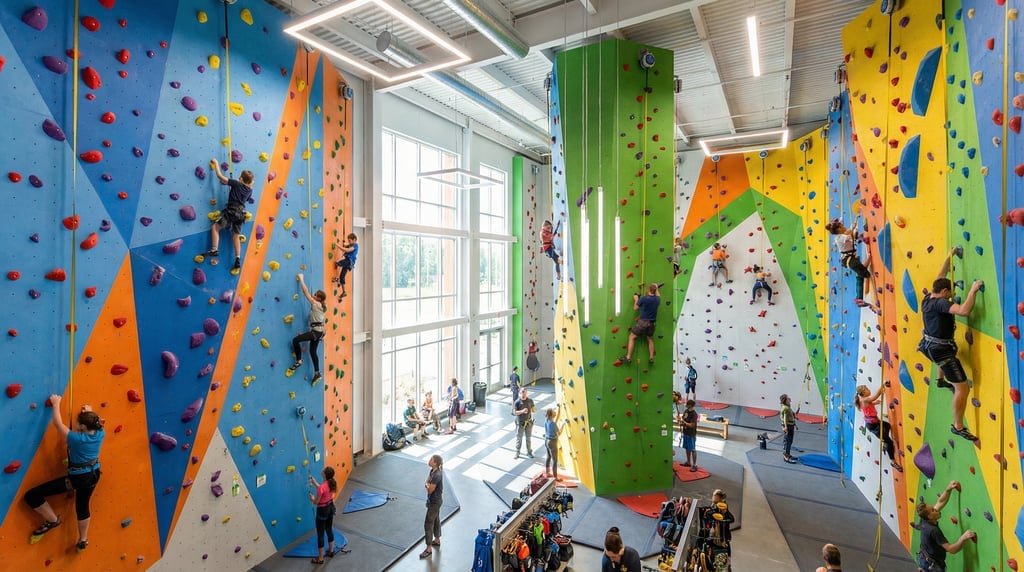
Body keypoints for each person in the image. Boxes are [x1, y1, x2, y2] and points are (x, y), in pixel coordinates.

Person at [918, 249, 984, 442]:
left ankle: (940, 380)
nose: (950, 296)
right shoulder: (941, 304)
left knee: (945, 359)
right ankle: (958, 426)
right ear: (945, 293)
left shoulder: (928, 299)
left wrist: (949, 256)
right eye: (950, 293)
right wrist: (973, 290)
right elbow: (963, 311)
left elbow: (940, 276)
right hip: (941, 351)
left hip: (929, 346)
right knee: (963, 389)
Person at [23, 394, 104, 551]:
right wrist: (89, 412)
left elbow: (58, 424)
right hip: (94, 473)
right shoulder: (100, 433)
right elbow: (96, 422)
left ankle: (53, 520)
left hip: (79, 478)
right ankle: (83, 540)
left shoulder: (77, 439)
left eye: (78, 423)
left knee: (31, 495)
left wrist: (56, 404)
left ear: (83, 428)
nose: (76, 423)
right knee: (82, 506)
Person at [915, 480, 976, 571]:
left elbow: (940, 502)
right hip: (932, 566)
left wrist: (948, 490)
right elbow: (951, 549)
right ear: (930, 516)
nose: (935, 509)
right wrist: (963, 538)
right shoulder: (933, 531)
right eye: (933, 510)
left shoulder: (925, 518)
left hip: (924, 558)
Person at [205, 159, 254, 272]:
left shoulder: (236, 183)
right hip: (241, 214)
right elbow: (249, 184)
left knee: (215, 228)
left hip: (232, 210)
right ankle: (237, 258)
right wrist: (239, 182)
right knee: (235, 236)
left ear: (241, 178)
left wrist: (217, 163)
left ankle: (214, 249)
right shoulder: (249, 191)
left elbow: (220, 176)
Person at [289, 273, 326, 384]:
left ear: (318, 298)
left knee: (295, 340)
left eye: (315, 295)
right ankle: (317, 373)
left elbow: (306, 293)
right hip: (318, 333)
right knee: (312, 351)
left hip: (316, 332)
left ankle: (299, 360)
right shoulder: (320, 307)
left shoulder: (317, 304)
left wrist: (301, 279)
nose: (313, 295)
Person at [825, 219, 872, 307]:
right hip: (847, 260)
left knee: (860, 274)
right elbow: (848, 235)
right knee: (863, 273)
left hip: (850, 258)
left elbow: (850, 234)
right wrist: (852, 228)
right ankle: (866, 277)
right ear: (839, 229)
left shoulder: (842, 235)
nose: (844, 227)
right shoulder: (839, 238)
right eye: (842, 226)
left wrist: (854, 229)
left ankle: (859, 298)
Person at [855, 385, 901, 471]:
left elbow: (870, 404)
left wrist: (875, 403)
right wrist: (882, 386)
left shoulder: (864, 400)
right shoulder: (865, 400)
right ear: (863, 393)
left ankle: (885, 441)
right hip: (873, 425)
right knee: (889, 442)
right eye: (867, 389)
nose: (869, 390)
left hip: (875, 422)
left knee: (887, 425)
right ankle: (893, 462)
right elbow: (875, 396)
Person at [308, 466, 338, 564]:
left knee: (320, 534)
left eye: (323, 470)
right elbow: (323, 490)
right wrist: (315, 482)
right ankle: (331, 551)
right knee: (329, 529)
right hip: (330, 508)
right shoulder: (331, 482)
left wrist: (312, 499)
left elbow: (317, 502)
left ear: (324, 474)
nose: (322, 470)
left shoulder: (322, 487)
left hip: (322, 511)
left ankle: (320, 558)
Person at [625, 283, 661, 364]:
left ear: (648, 290)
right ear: (655, 291)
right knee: (650, 339)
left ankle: (628, 357)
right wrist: (656, 287)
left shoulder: (644, 298)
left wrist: (636, 299)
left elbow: (635, 308)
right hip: (652, 323)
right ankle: (651, 358)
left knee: (632, 337)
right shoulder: (657, 299)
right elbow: (658, 295)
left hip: (643, 322)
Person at [419, 454, 444, 559]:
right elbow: (427, 481)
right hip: (434, 501)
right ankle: (437, 540)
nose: (429, 461)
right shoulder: (432, 471)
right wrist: (427, 484)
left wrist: (426, 485)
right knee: (436, 519)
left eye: (431, 460)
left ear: (435, 463)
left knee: (428, 523)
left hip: (435, 502)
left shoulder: (437, 475)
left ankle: (428, 548)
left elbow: (429, 489)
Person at [333, 233, 358, 298]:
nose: (349, 242)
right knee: (342, 277)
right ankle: (344, 292)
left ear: (354, 239)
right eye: (348, 240)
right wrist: (344, 244)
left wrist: (337, 245)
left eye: (350, 240)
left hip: (349, 261)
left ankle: (337, 278)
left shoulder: (355, 245)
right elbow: (346, 246)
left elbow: (346, 250)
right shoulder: (350, 245)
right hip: (348, 262)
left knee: (338, 263)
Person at [513, 387, 536, 459]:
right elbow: (514, 412)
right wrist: (522, 411)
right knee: (519, 437)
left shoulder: (530, 401)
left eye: (525, 392)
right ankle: (517, 451)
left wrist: (533, 409)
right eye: (523, 392)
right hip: (520, 423)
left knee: (528, 438)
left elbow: (533, 409)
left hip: (528, 422)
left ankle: (529, 452)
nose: (524, 393)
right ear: (520, 393)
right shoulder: (517, 402)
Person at [543, 407, 564, 479]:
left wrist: (559, 410)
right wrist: (563, 425)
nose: (555, 412)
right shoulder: (553, 424)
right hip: (552, 442)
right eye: (553, 411)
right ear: (551, 415)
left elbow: (556, 419)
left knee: (548, 457)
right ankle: (555, 477)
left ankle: (547, 473)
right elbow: (559, 433)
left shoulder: (547, 420)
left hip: (546, 441)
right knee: (555, 460)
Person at [679, 399, 698, 471]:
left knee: (692, 449)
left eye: (687, 404)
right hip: (685, 433)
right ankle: (688, 462)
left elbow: (692, 425)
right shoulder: (686, 411)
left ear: (690, 405)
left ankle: (695, 464)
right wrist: (681, 420)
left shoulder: (694, 414)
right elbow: (683, 418)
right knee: (687, 448)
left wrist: (684, 422)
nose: (686, 405)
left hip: (691, 434)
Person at [779, 394, 797, 463]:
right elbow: (785, 419)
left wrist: (795, 424)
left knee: (790, 441)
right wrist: (786, 427)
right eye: (788, 398)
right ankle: (786, 456)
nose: (789, 398)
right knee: (787, 441)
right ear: (785, 401)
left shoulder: (787, 407)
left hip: (791, 425)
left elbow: (791, 416)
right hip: (788, 426)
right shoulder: (785, 408)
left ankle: (788, 454)